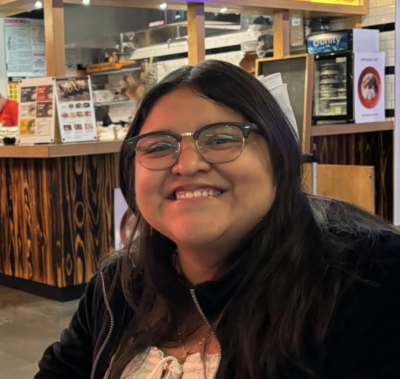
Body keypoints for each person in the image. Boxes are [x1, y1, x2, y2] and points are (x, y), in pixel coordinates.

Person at [35, 60, 400, 379]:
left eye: (221, 138)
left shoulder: (370, 277)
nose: (188, 164)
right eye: (160, 146)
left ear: (278, 155)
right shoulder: (118, 285)